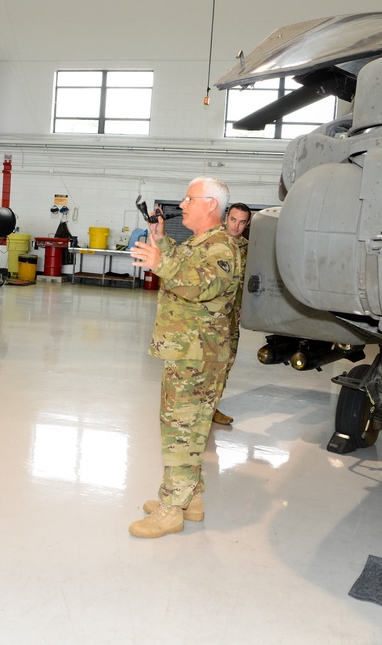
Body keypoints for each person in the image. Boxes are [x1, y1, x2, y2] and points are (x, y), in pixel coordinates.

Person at [128, 177, 241, 538]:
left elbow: (203, 285)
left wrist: (163, 262)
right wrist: (161, 240)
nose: (182, 204)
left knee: (181, 430)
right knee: (185, 427)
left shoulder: (223, 246)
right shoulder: (202, 242)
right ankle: (191, 498)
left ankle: (171, 509)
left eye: (189, 199)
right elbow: (185, 263)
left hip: (198, 355)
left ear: (210, 204)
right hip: (188, 351)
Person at [212, 202, 252, 426]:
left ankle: (213, 407)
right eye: (233, 220)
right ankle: (197, 411)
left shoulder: (247, 248)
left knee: (226, 365)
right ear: (226, 218)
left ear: (247, 224)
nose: (236, 226)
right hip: (210, 318)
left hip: (232, 319)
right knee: (205, 365)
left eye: (242, 222)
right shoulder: (213, 243)